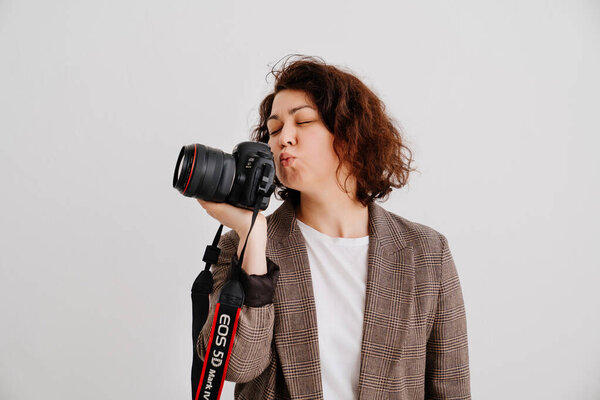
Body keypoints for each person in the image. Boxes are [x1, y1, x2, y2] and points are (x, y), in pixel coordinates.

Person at [197, 55, 471, 399]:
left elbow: (451, 389)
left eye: (303, 121)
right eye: (275, 129)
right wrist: (251, 239)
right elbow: (237, 365)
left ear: (350, 134)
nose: (284, 138)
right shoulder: (242, 246)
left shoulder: (427, 253)